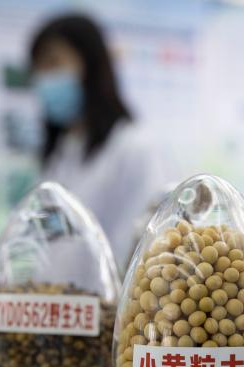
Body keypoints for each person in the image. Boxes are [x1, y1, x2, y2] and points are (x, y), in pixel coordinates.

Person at [29, 13, 167, 267]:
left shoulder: (135, 147)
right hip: (58, 291)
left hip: (116, 291)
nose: (44, 79)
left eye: (54, 63)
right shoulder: (63, 151)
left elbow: (151, 246)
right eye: (37, 68)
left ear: (92, 65)